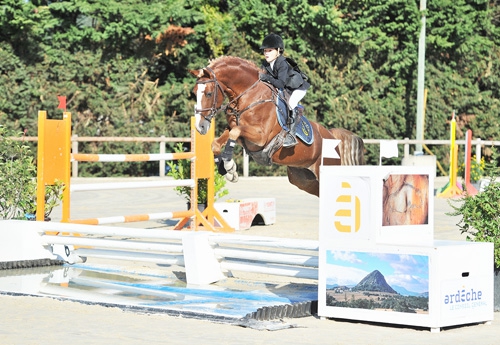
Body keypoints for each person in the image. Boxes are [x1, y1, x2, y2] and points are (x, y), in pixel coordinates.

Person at [259, 33, 310, 147]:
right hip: (286, 88)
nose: (266, 53)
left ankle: (291, 135)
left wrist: (266, 78)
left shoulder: (282, 63)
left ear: (278, 51)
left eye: (269, 50)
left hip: (298, 88)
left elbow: (280, 83)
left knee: (291, 103)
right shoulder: (265, 65)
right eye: (265, 51)